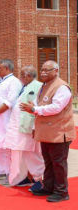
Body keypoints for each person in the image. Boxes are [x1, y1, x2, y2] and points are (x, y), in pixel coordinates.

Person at [20, 60, 76, 202]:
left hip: (58, 132)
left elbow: (56, 107)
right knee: (48, 162)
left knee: (58, 163)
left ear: (56, 71)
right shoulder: (44, 86)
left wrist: (34, 109)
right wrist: (34, 110)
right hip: (46, 131)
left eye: (47, 70)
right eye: (42, 70)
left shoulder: (61, 87)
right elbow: (40, 106)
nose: (43, 72)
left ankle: (62, 192)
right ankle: (49, 187)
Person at [4, 66, 44, 190]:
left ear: (28, 76)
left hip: (28, 127)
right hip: (18, 126)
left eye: (21, 74)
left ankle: (39, 179)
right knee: (20, 153)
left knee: (30, 153)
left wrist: (33, 127)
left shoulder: (38, 86)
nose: (19, 76)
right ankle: (25, 176)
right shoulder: (24, 87)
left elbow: (36, 106)